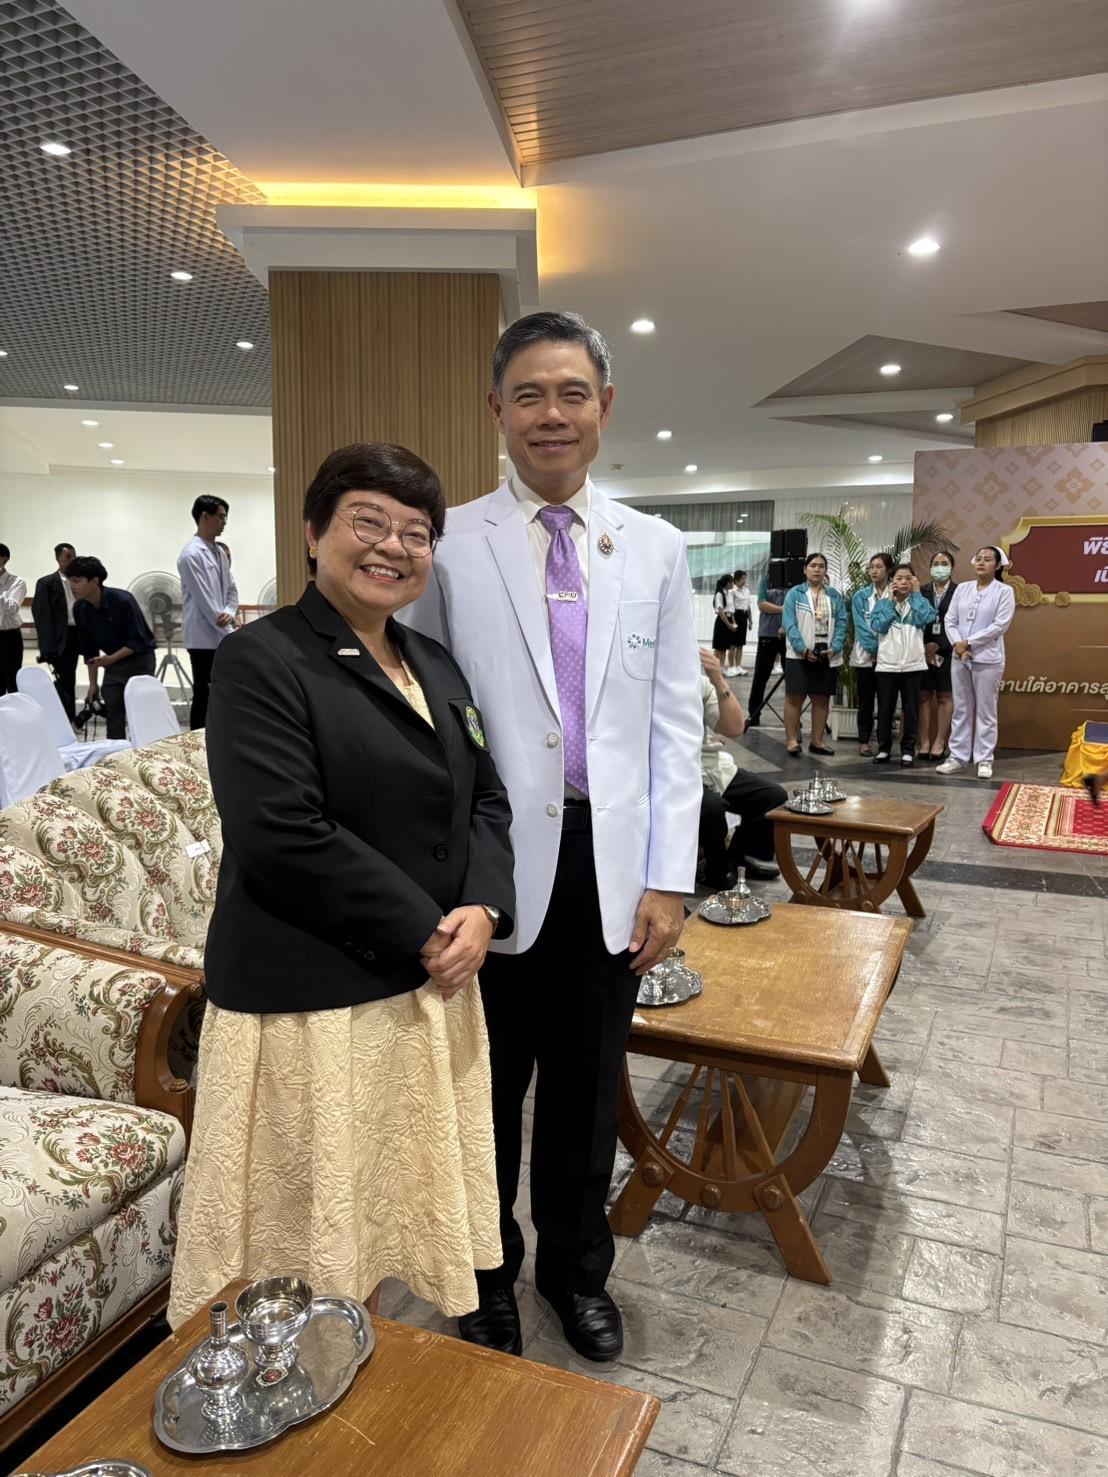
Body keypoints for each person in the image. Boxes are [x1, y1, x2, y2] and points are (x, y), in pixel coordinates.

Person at [407, 310, 702, 1364]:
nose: (551, 414)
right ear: (496, 409)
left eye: (572, 392)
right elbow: (423, 714)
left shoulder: (657, 548)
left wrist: (670, 876)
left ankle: (576, 1272)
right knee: (483, 1088)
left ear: (604, 406)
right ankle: (483, 1273)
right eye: (528, 394)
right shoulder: (450, 545)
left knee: (587, 1087)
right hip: (486, 866)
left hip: (611, 868)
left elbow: (674, 722)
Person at [168, 442, 516, 1330]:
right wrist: (427, 929)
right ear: (314, 532)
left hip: (424, 987)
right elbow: (281, 831)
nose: (393, 545)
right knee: (313, 1237)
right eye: (369, 521)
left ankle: (370, 1352)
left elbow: (485, 795)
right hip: (313, 999)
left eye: (416, 532)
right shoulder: (262, 658)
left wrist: (484, 907)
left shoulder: (433, 660)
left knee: (385, 1215)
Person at [698, 648, 785, 886]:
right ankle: (716, 872)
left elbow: (735, 727)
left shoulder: (698, 683)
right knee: (712, 807)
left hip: (711, 766)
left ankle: (738, 857)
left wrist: (718, 679)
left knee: (773, 796)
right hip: (676, 772)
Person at [937, 546, 1016, 779]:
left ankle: (984, 759)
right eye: (978, 559)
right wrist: (958, 645)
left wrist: (968, 643)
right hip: (959, 657)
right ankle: (958, 757)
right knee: (961, 708)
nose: (981, 563)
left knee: (986, 710)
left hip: (987, 659)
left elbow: (1000, 625)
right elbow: (950, 620)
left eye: (987, 560)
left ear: (998, 565)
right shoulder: (962, 589)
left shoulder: (1004, 591)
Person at [67, 556, 157, 740]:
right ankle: (116, 752)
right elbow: (89, 650)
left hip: (139, 660)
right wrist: (93, 684)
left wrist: (110, 659)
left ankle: (146, 750)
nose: (72, 586)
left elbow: (139, 640)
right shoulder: (80, 608)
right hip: (112, 664)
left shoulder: (122, 600)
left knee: (140, 713)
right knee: (113, 712)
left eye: (77, 581)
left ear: (95, 581)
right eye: (70, 581)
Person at [177, 495, 239, 729]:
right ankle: (197, 738)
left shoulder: (219, 552)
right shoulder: (191, 554)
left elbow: (231, 589)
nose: (224, 523)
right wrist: (228, 630)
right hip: (203, 637)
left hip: (222, 631)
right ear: (205, 516)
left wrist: (230, 611)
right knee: (204, 693)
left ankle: (220, 733)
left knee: (222, 691)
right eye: (220, 517)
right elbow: (204, 599)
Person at [781, 552, 847, 758]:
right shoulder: (795, 594)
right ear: (805, 569)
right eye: (813, 565)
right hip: (799, 655)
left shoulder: (834, 596)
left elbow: (842, 622)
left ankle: (817, 742)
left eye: (821, 566)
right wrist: (802, 648)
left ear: (825, 570)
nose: (817, 569)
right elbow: (789, 624)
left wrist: (836, 646)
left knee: (821, 699)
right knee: (795, 698)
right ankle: (792, 740)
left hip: (826, 654)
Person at [869, 564, 935, 766]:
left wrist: (917, 595)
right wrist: (889, 601)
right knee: (885, 710)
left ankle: (908, 750)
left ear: (914, 581)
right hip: (887, 666)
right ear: (892, 581)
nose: (903, 582)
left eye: (908, 578)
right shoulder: (882, 603)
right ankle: (884, 749)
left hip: (913, 666)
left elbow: (928, 618)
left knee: (911, 710)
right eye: (899, 578)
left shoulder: (919, 602)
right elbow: (878, 626)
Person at [849, 552, 894, 757]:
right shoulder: (860, 596)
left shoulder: (896, 593)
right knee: (866, 701)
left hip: (890, 657)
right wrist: (875, 649)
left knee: (886, 703)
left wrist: (882, 651)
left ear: (888, 570)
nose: (873, 571)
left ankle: (884, 744)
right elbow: (860, 627)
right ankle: (864, 741)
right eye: (871, 567)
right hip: (866, 657)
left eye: (878, 567)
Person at [31, 541, 80, 720]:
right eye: (68, 557)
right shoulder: (47, 583)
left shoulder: (80, 581)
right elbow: (41, 616)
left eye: (74, 557)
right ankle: (66, 718)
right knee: (64, 680)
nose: (72, 560)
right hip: (60, 638)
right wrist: (47, 647)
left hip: (77, 634)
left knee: (71, 678)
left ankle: (70, 717)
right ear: (58, 559)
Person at [918, 553, 957, 760]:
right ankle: (924, 741)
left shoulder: (959, 592)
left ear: (951, 568)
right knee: (923, 696)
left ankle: (940, 742)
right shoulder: (921, 591)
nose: (939, 567)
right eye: (935, 564)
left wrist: (940, 644)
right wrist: (924, 645)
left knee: (945, 697)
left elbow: (960, 623)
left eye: (944, 564)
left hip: (948, 651)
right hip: (921, 650)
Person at [744, 569, 787, 728]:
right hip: (768, 633)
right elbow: (762, 604)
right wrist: (783, 609)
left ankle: (792, 716)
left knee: (793, 678)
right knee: (760, 676)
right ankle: (754, 713)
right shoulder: (766, 580)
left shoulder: (796, 581)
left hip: (790, 634)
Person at [0, 543, 26, 695]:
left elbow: (12, 607)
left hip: (9, 637)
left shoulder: (17, 582)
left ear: (4, 559)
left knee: (12, 682)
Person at [726, 569, 752, 675]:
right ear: (736, 580)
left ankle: (738, 666)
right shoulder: (732, 591)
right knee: (733, 644)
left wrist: (750, 621)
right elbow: (730, 607)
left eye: (745, 578)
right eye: (742, 578)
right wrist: (733, 622)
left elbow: (748, 606)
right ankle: (731, 667)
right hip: (735, 616)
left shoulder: (746, 591)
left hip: (744, 616)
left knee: (740, 644)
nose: (744, 580)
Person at [711, 574, 736, 669]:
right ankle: (713, 668)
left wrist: (733, 623)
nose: (733, 584)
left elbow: (731, 610)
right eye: (732, 582)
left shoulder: (729, 594)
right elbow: (721, 611)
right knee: (719, 648)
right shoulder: (719, 594)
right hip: (722, 621)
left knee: (724, 648)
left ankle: (721, 668)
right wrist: (728, 624)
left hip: (729, 619)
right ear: (728, 583)